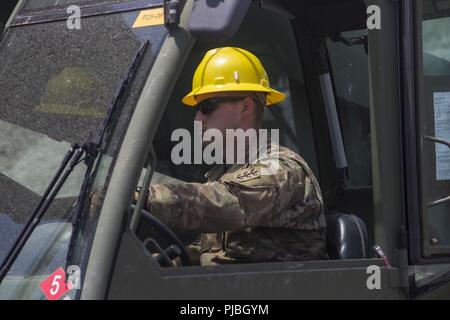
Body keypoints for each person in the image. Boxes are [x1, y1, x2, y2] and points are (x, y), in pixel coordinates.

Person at [136, 47, 328, 266]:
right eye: (196, 109)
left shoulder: (282, 169)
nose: (197, 118)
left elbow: (226, 203)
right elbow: (215, 251)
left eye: (206, 106)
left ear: (245, 106)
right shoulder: (224, 172)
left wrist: (141, 198)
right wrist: (173, 260)